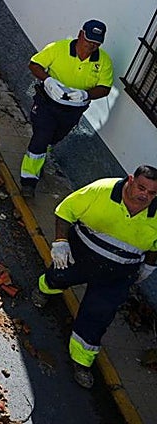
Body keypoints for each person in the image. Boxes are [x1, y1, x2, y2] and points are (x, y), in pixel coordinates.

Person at [32, 166, 157, 388]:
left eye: (152, 193)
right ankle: (43, 290)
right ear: (130, 179)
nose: (145, 196)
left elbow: (155, 248)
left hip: (118, 275)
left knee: (98, 316)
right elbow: (65, 211)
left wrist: (148, 267)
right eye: (141, 187)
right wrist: (60, 242)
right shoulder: (101, 190)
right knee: (58, 277)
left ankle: (81, 360)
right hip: (81, 256)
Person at [19, 20, 113, 197]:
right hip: (47, 102)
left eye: (96, 43)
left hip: (72, 109)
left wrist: (86, 94)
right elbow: (34, 64)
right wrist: (48, 80)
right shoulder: (59, 48)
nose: (91, 46)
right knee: (42, 136)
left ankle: (41, 152)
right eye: (88, 40)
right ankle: (29, 181)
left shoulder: (104, 62)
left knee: (54, 138)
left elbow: (105, 88)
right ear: (80, 34)